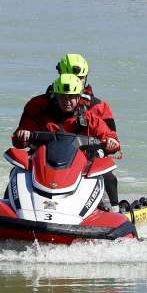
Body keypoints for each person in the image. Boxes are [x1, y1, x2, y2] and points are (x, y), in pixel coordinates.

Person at [13, 73, 122, 208]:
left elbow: (109, 135)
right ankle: (11, 207)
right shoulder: (42, 117)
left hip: (82, 169)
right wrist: (22, 136)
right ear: (56, 96)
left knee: (108, 176)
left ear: (79, 97)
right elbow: (18, 140)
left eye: (72, 97)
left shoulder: (89, 119)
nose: (67, 101)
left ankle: (116, 212)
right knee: (16, 172)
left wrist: (112, 142)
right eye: (63, 96)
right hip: (44, 167)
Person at [54, 53, 118, 134]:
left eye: (80, 78)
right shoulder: (43, 103)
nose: (75, 82)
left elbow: (112, 137)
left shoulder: (99, 107)